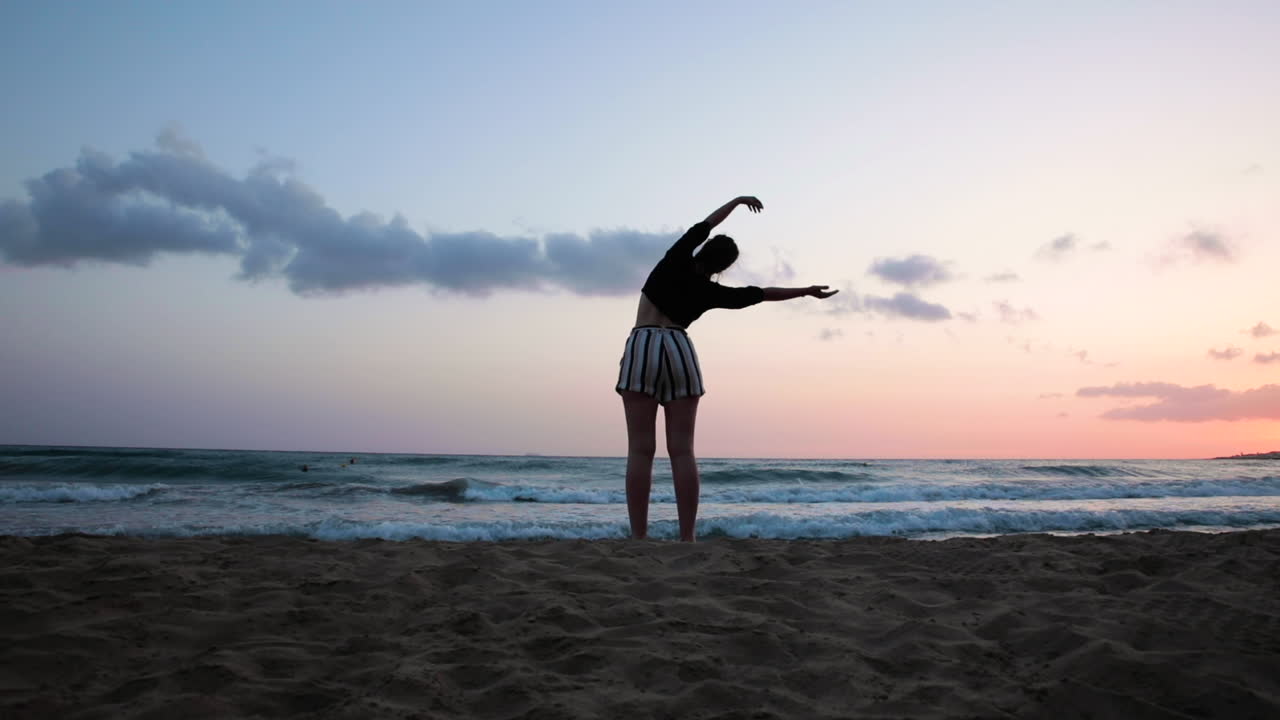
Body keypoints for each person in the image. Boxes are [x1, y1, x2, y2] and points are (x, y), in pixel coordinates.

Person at [616, 196, 838, 541]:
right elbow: (760, 293)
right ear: (723, 267)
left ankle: (638, 538)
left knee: (640, 450)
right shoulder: (710, 291)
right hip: (679, 349)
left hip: (642, 345)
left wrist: (736, 202)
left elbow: (706, 224)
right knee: (683, 450)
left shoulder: (675, 258)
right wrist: (805, 292)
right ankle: (687, 538)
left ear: (702, 250)